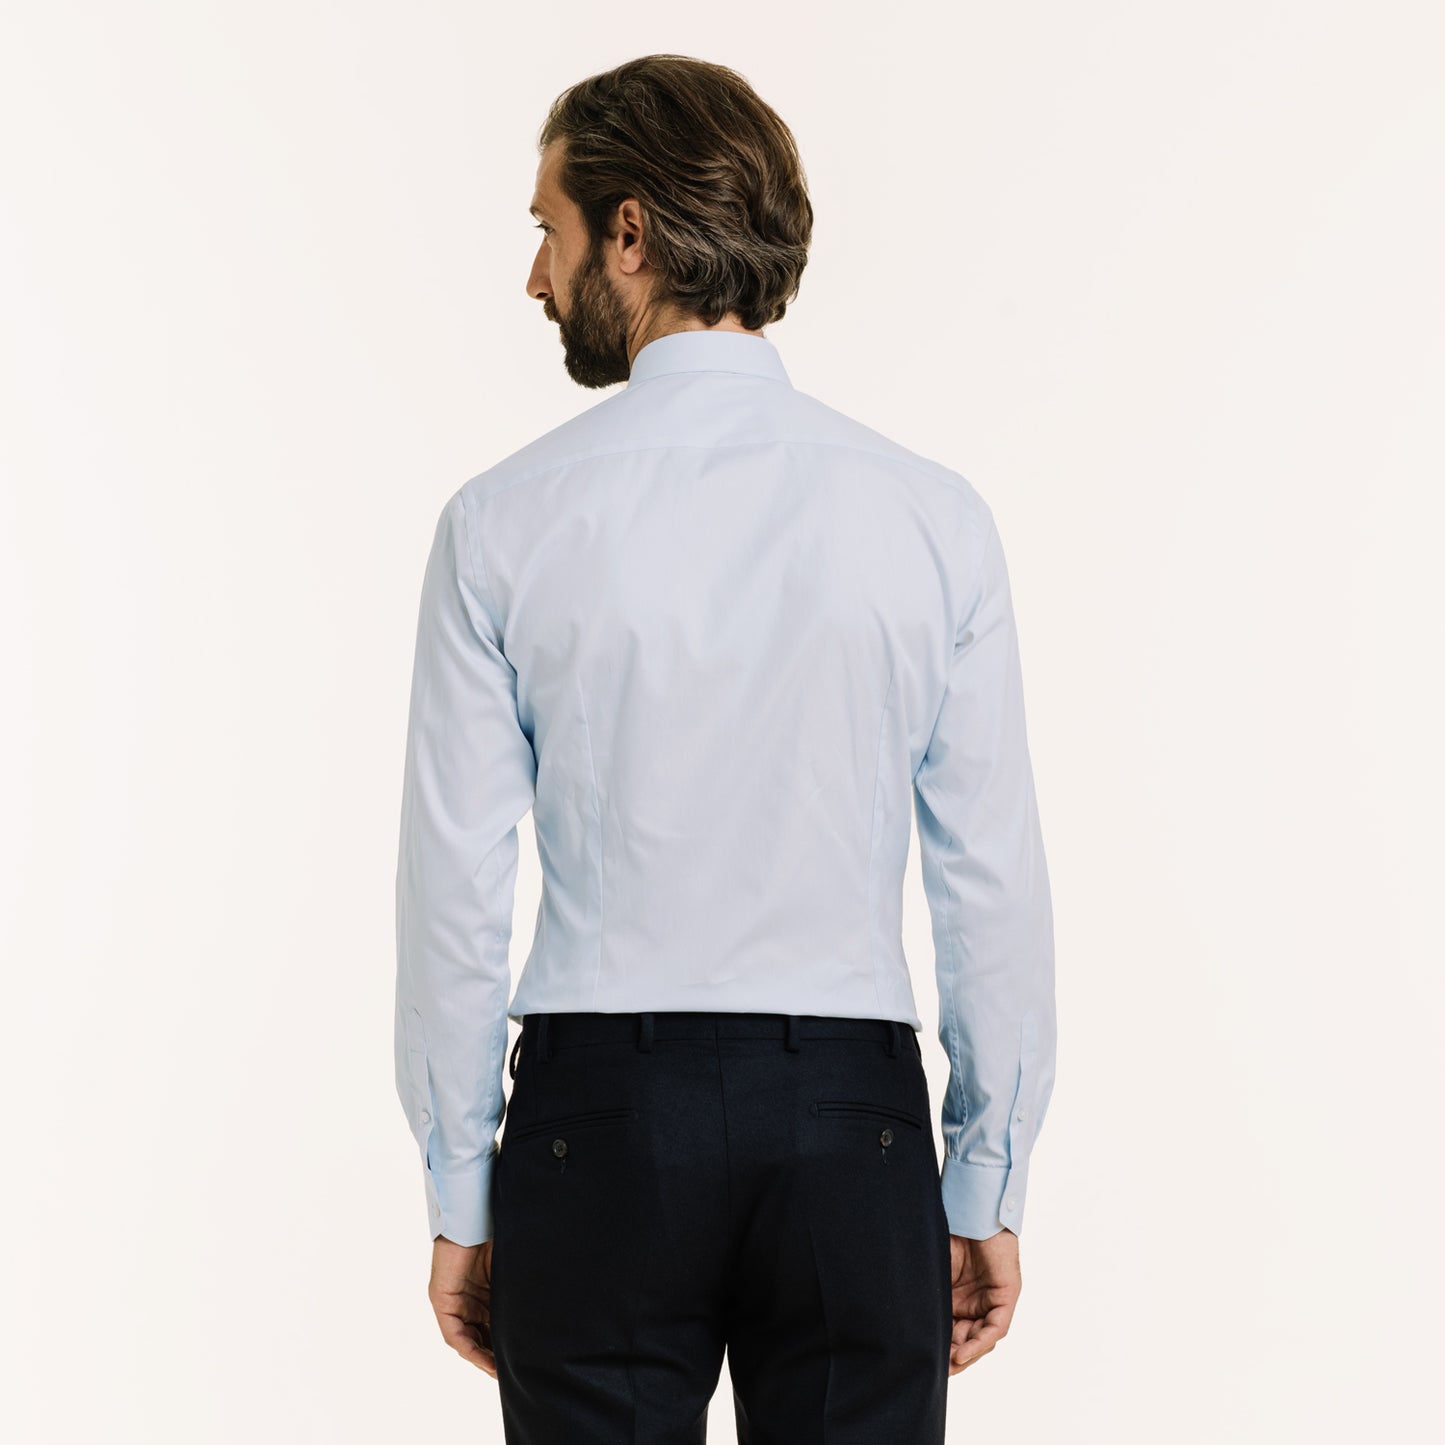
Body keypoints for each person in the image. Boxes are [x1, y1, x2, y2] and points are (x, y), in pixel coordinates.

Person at [394, 53, 1056, 1443]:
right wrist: (983, 1176)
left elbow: (455, 889)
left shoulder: (504, 522)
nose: (534, 277)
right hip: (853, 1123)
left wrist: (462, 1192)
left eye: (549, 230)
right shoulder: (932, 519)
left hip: (597, 1122)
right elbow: (987, 880)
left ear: (629, 233)